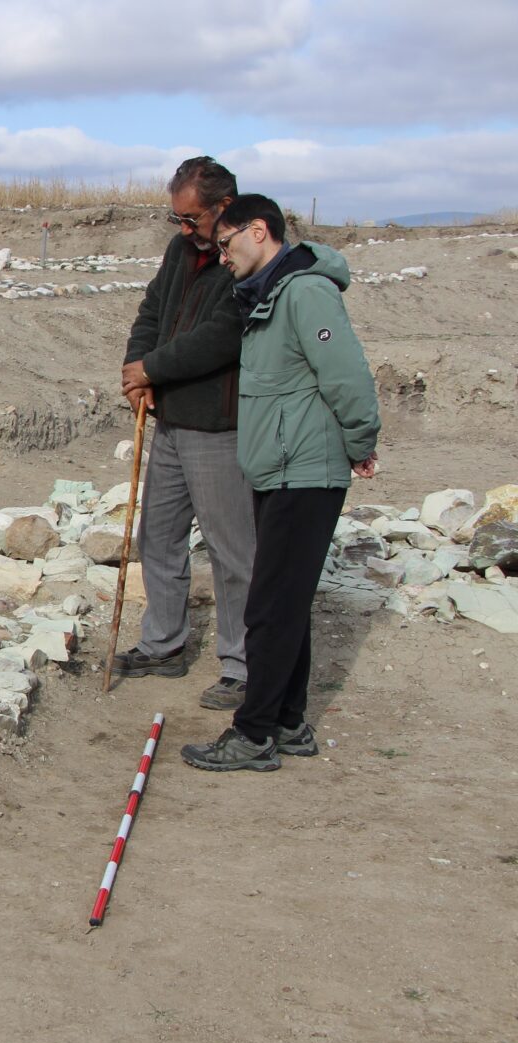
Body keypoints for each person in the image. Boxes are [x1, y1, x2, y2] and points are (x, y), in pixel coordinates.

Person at [181, 194, 380, 772]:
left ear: (259, 231)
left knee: (269, 605)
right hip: (282, 467)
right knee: (285, 601)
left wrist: (361, 441)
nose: (221, 257)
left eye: (226, 243)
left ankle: (255, 733)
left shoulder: (305, 292)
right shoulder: (273, 293)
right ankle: (289, 722)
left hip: (305, 470)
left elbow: (345, 374)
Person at [117, 156, 257, 711]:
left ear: (224, 208)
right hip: (170, 419)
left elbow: (224, 335)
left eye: (192, 218)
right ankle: (164, 644)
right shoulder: (182, 250)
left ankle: (244, 664)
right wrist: (136, 370)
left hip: (219, 425)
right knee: (159, 537)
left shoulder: (246, 257)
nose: (183, 229)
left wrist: (156, 369)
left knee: (232, 551)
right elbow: (152, 311)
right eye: (177, 218)